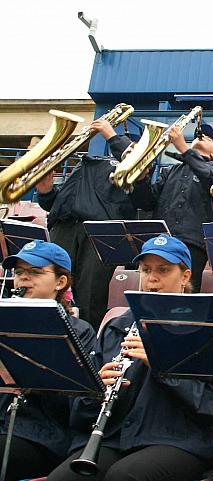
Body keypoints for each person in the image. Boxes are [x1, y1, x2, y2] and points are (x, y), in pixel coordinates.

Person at [40, 235, 213, 481]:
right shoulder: (119, 326)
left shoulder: (204, 329)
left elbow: (211, 404)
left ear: (185, 277)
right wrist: (95, 390)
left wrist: (162, 365)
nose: (152, 279)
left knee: (124, 479)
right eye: (146, 270)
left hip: (178, 440)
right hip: (116, 436)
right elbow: (78, 413)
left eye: (163, 270)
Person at [0, 240, 96, 481]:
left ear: (60, 282)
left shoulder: (78, 331)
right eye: (19, 272)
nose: (23, 279)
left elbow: (77, 402)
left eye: (35, 272)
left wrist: (27, 375)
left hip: (44, 436)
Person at [36, 119, 136, 331]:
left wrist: (113, 136)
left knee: (91, 294)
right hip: (64, 226)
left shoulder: (129, 164)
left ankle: (88, 346)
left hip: (100, 230)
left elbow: (137, 163)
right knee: (51, 285)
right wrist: (45, 190)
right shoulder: (84, 164)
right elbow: (57, 203)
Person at [129, 122, 213, 292]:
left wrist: (184, 149)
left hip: (193, 244)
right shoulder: (170, 171)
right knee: (151, 289)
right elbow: (146, 203)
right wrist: (141, 178)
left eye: (207, 138)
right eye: (196, 137)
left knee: (187, 294)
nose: (200, 137)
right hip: (160, 240)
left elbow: (211, 180)